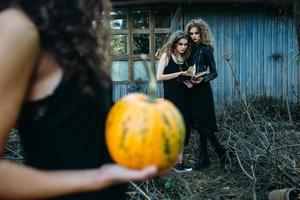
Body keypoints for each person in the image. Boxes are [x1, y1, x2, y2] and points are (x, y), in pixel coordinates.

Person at [0, 0, 168, 199]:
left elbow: (83, 131)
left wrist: (153, 142)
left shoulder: (71, 30)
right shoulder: (17, 27)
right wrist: (98, 178)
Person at [185, 19, 227, 170]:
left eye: (197, 33)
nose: (194, 36)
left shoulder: (206, 49)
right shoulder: (189, 49)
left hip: (202, 89)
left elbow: (214, 72)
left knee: (200, 123)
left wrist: (203, 79)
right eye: (191, 33)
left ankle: (220, 151)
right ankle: (206, 158)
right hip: (190, 89)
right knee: (197, 123)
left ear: (202, 33)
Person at [156, 30, 193, 172]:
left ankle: (179, 162)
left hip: (185, 96)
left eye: (185, 44)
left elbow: (184, 78)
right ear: (174, 43)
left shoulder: (186, 57)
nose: (183, 47)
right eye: (180, 44)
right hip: (172, 98)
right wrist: (178, 73)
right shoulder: (166, 56)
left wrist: (190, 82)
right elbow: (159, 77)